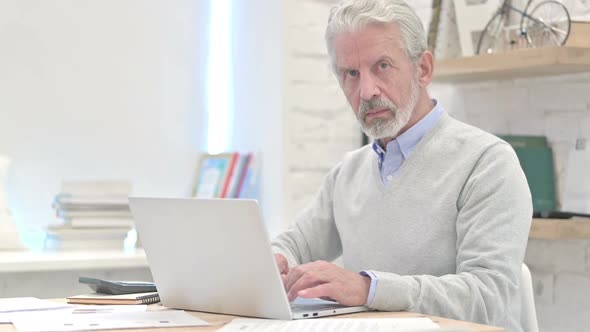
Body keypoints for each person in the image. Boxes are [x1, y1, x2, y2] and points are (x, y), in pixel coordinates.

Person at [271, 0, 532, 331]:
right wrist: (272, 264)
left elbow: (488, 298)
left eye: (382, 66)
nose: (366, 91)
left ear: (422, 69)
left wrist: (369, 289)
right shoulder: (348, 173)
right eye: (351, 73)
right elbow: (293, 245)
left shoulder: (488, 162)